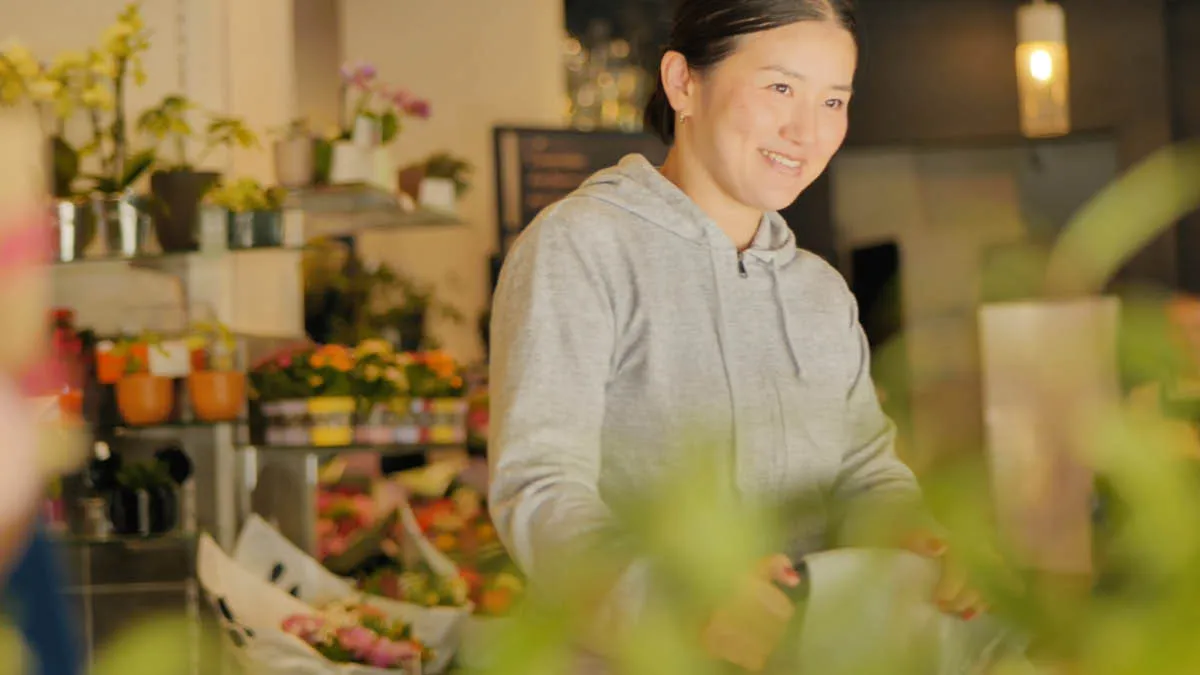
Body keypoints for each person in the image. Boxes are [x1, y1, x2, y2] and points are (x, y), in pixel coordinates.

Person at [488, 0, 983, 670]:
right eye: (779, 87)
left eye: (833, 101)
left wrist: (915, 535)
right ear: (683, 82)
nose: (806, 130)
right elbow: (539, 485)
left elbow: (866, 469)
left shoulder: (818, 290)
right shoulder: (581, 245)